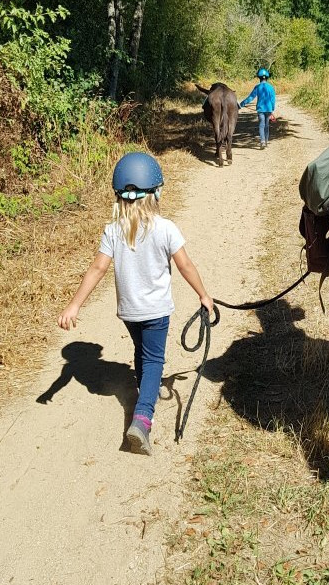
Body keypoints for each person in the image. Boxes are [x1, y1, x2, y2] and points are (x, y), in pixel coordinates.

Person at [56, 151, 214, 455]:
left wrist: (74, 305)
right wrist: (204, 295)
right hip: (156, 311)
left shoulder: (113, 230)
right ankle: (142, 419)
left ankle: (146, 390)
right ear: (155, 193)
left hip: (129, 312)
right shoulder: (166, 228)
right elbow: (186, 266)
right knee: (154, 360)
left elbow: (97, 268)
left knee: (143, 353)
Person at [239, 68, 276, 149]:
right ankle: (266, 142)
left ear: (259, 78)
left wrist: (241, 104)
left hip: (260, 110)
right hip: (268, 109)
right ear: (267, 77)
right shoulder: (271, 87)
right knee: (266, 126)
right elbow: (273, 100)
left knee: (261, 125)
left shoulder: (257, 87)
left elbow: (251, 97)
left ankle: (262, 141)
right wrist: (272, 108)